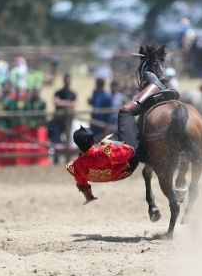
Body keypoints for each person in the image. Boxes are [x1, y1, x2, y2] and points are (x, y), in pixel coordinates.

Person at [66, 72, 165, 203]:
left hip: (119, 175)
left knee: (120, 132)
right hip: (129, 162)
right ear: (91, 140)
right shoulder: (102, 152)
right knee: (125, 111)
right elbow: (128, 152)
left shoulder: (77, 165)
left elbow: (81, 182)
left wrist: (89, 196)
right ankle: (155, 88)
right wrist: (110, 144)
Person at [50, 74, 77, 163]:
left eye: (69, 80)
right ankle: (56, 160)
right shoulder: (58, 92)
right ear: (64, 81)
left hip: (68, 121)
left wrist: (62, 103)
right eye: (66, 80)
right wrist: (67, 103)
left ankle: (68, 160)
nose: (67, 82)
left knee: (69, 140)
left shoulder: (72, 93)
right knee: (56, 140)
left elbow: (73, 104)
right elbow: (56, 102)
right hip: (58, 120)